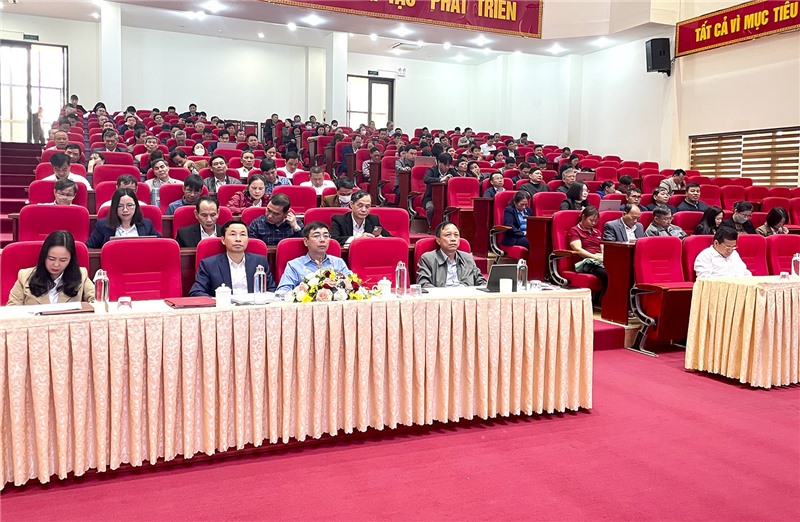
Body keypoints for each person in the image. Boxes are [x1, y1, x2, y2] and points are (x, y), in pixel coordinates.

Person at [7, 231, 95, 306]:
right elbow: (12, 309)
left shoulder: (81, 275)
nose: (56, 264)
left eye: (63, 260)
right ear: (44, 256)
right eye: (51, 259)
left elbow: (97, 301)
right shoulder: (24, 276)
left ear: (71, 260)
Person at [189, 220, 276, 296]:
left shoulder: (260, 261)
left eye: (242, 234)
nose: (238, 239)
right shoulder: (209, 264)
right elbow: (196, 292)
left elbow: (271, 290)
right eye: (233, 234)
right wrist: (218, 301)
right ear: (223, 240)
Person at [276, 222, 352, 291]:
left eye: (326, 236)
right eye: (316, 236)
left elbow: (353, 285)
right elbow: (282, 291)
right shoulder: (294, 265)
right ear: (306, 241)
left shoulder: (338, 262)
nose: (322, 240)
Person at [416, 222, 487, 288]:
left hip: (466, 296)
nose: (453, 239)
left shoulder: (467, 258)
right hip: (442, 296)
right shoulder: (428, 259)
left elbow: (482, 282)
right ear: (438, 240)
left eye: (456, 235)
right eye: (448, 235)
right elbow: (423, 284)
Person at [86, 188, 160, 248]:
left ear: (136, 207)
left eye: (129, 205)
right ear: (114, 207)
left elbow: (160, 244)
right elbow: (89, 248)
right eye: (120, 206)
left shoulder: (146, 225)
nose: (125, 210)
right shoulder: (103, 226)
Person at [567, 206, 606, 305]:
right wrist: (595, 257)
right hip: (586, 262)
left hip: (600, 259)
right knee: (607, 273)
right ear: (583, 217)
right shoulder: (574, 230)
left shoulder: (597, 232)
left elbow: (603, 248)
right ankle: (604, 301)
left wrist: (604, 257)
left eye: (595, 221)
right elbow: (578, 249)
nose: (593, 223)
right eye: (591, 220)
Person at [422, 153, 457, 223]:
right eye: (445, 165)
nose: (447, 167)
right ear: (439, 162)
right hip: (431, 198)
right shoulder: (432, 170)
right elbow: (426, 179)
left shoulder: (451, 171)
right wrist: (441, 179)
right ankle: (430, 224)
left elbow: (459, 179)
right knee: (431, 208)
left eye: (448, 165)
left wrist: (452, 180)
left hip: (446, 199)